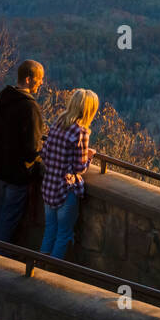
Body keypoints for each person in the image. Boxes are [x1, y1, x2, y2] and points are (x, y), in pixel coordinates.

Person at [0, 60, 45, 244]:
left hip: (1, 167)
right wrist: (34, 163)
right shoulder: (29, 107)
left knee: (0, 213)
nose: (42, 83)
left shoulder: (4, 98)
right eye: (40, 79)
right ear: (28, 79)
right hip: (17, 174)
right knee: (8, 218)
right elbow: (33, 147)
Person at [39, 88, 98, 259]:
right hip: (65, 189)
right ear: (89, 110)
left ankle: (39, 266)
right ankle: (51, 273)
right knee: (63, 234)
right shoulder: (80, 132)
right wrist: (89, 157)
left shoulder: (58, 123)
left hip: (49, 185)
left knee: (49, 230)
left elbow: (44, 153)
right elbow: (79, 168)